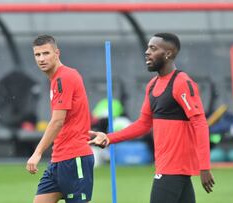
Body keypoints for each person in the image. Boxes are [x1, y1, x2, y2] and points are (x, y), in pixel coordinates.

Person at [89, 33, 215, 203]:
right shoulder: (152, 85)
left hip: (173, 168)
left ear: (168, 54)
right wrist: (108, 138)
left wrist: (204, 166)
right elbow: (142, 124)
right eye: (148, 47)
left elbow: (200, 123)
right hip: (169, 166)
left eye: (153, 48)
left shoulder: (182, 83)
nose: (147, 52)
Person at [26, 35, 94, 203]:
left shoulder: (64, 78)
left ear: (57, 53)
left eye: (46, 53)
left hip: (74, 157)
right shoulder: (57, 79)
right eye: (37, 55)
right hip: (58, 159)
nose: (41, 59)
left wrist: (37, 152)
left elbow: (58, 120)